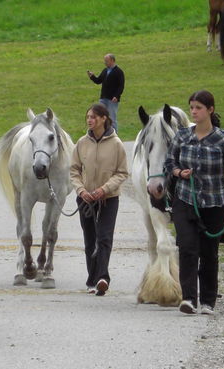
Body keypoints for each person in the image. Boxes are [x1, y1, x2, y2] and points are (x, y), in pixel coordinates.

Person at [165, 90, 224, 315]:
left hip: (214, 203)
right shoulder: (182, 136)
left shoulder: (222, 138)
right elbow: (169, 162)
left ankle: (208, 301)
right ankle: (188, 298)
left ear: (210, 110)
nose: (194, 111)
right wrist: (179, 172)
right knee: (188, 248)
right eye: (191, 107)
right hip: (185, 200)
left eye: (198, 107)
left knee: (209, 253)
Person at [70, 104, 129, 296]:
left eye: (94, 117)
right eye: (88, 117)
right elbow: (74, 171)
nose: (89, 120)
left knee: (104, 237)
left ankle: (103, 277)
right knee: (90, 239)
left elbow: (122, 173)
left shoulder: (116, 144)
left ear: (104, 118)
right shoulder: (81, 143)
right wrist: (81, 190)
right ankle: (92, 280)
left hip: (108, 199)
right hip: (85, 200)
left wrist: (104, 189)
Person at [86, 54, 125, 132]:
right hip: (103, 98)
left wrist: (116, 96)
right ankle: (101, 132)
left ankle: (114, 136)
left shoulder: (119, 72)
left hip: (112, 99)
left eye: (106, 61)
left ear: (112, 60)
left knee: (112, 118)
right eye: (105, 61)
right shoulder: (105, 70)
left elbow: (121, 86)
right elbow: (98, 81)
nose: (105, 63)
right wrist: (92, 77)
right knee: (100, 115)